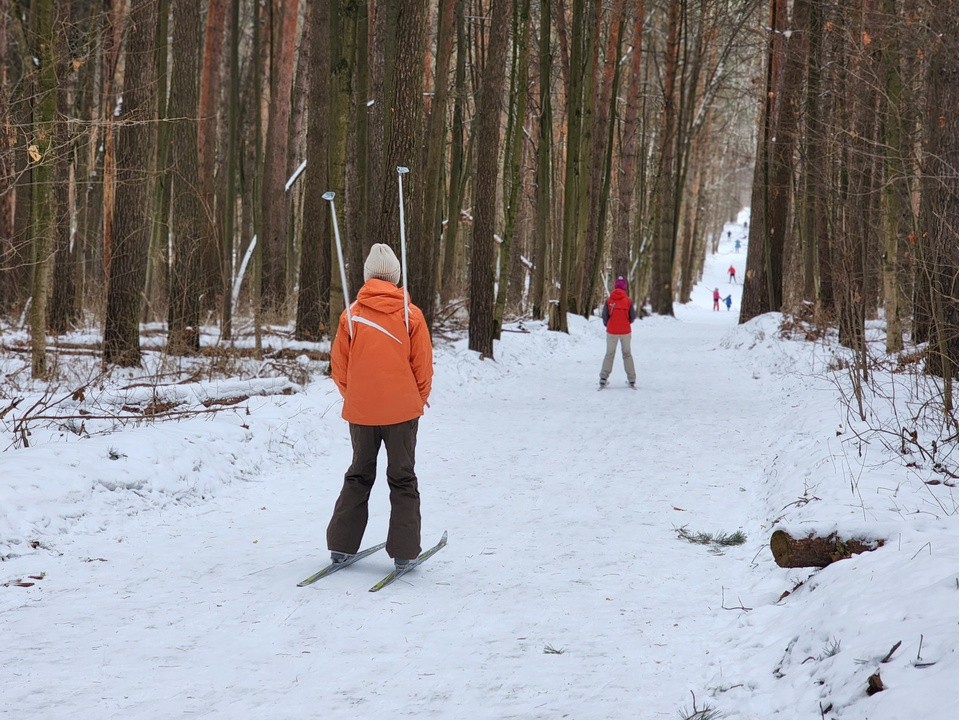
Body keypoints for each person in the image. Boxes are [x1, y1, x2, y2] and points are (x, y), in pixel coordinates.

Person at [326, 243, 434, 570]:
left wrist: (356, 396)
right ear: (395, 277)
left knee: (358, 474)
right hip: (402, 413)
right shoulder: (410, 315)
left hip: (361, 413)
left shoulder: (352, 315)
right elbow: (423, 367)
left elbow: (339, 367)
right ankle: (404, 552)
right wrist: (415, 399)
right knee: (402, 477)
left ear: (368, 276)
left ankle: (341, 548)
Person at [599, 276, 637, 388]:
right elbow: (633, 316)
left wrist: (609, 324)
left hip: (612, 331)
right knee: (627, 354)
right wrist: (626, 322)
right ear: (625, 287)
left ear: (615, 286)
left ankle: (603, 378)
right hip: (625, 331)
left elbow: (605, 316)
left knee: (609, 354)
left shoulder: (609, 300)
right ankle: (632, 379)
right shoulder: (628, 301)